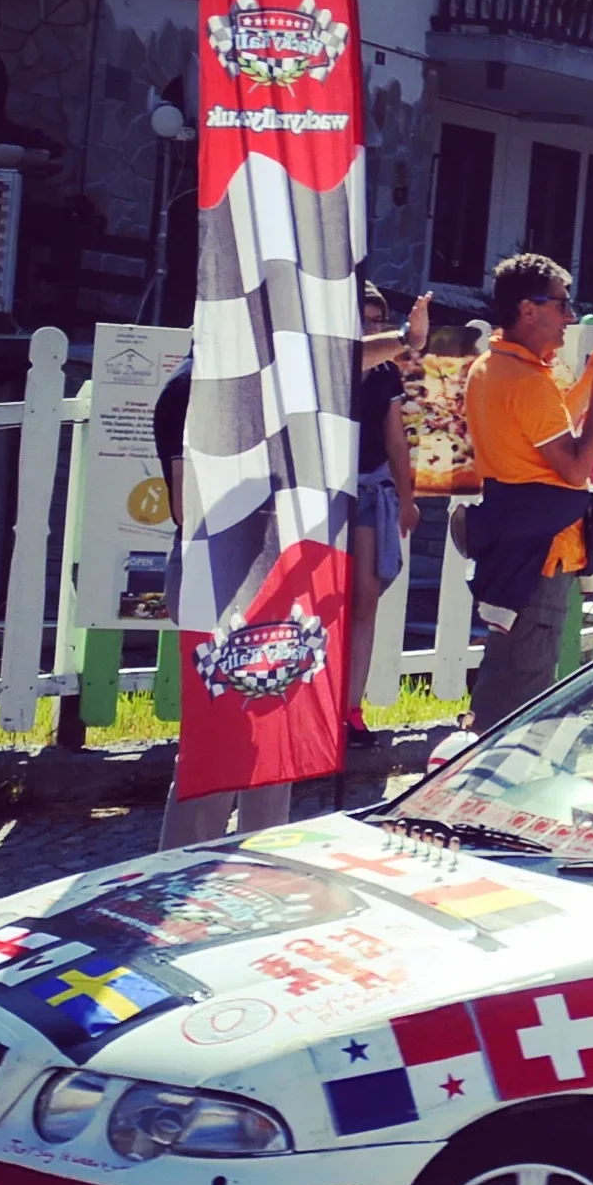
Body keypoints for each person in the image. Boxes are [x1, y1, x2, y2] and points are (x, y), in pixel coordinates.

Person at [153, 301, 419, 848]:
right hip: (221, 583)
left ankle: (261, 855)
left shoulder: (251, 382)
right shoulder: (189, 392)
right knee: (222, 740)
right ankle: (179, 865)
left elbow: (334, 361)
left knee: (275, 738)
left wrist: (404, 339)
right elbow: (187, 506)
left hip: (270, 584)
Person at [462, 252, 593, 732]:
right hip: (538, 546)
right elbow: (576, 469)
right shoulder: (528, 382)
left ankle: (481, 761)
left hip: (512, 535)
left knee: (509, 660)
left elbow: (547, 426)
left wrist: (592, 381)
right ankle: (489, 777)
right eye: (562, 304)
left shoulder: (493, 366)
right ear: (528, 309)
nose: (570, 318)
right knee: (525, 674)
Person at [346, 281, 427, 747]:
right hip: (322, 497)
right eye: (365, 319)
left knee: (365, 600)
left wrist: (407, 497)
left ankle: (351, 710)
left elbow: (396, 440)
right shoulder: (328, 363)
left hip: (370, 491)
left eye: (379, 320)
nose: (372, 328)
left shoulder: (385, 377)